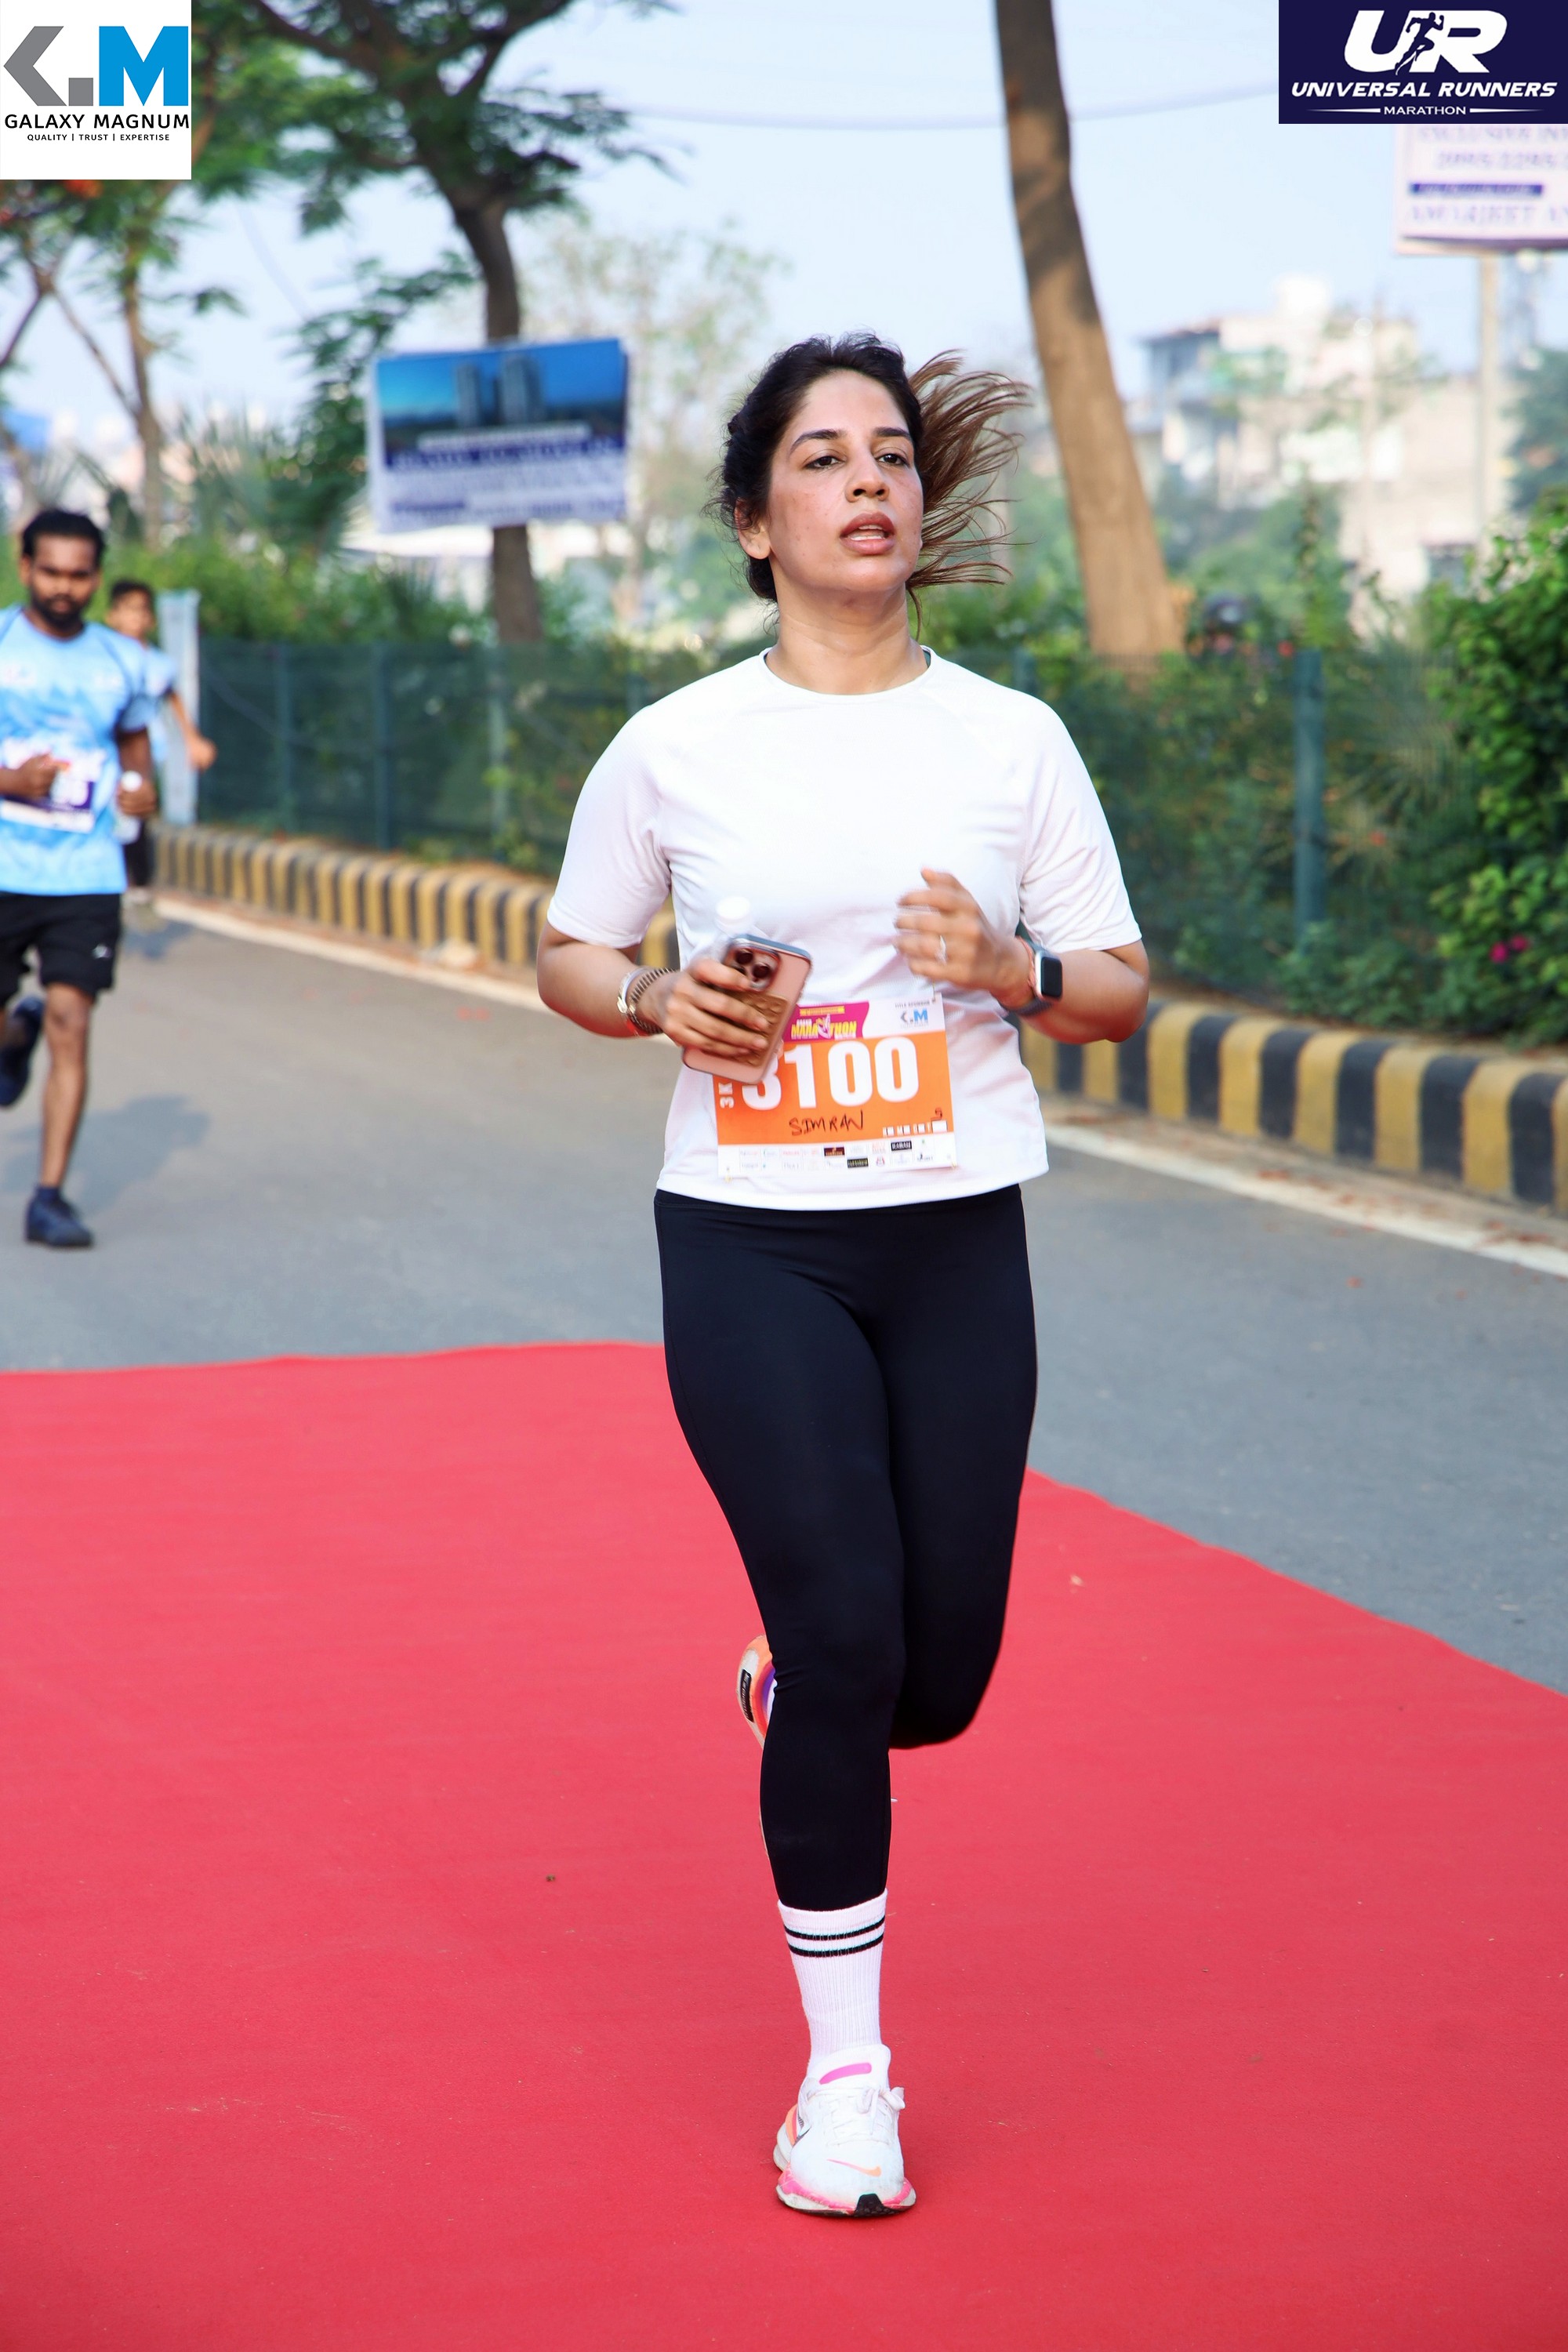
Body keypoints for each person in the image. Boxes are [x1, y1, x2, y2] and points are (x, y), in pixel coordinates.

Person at [537, 336, 1149, 2216]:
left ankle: (804, 1667)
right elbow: (569, 950)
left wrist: (1008, 969)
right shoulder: (678, 744)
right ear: (754, 520)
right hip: (750, 1238)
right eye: (820, 457)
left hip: (955, 1235)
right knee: (846, 1621)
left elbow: (1117, 988)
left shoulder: (1009, 742)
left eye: (888, 452)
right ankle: (846, 2086)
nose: (867, 479)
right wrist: (655, 996)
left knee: (930, 1676)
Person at [0, 510, 159, 1247]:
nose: (64, 588)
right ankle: (13, 1035)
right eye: (51, 572)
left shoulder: (121, 660)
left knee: (74, 1020)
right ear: (25, 567)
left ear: (96, 577)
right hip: (5, 866)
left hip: (86, 873)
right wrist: (10, 781)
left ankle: (49, 1197)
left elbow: (134, 740)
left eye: (79, 575)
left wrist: (141, 790)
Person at [103, 578, 216, 900]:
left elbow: (172, 697)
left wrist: (193, 740)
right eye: (128, 610)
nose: (136, 617)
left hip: (145, 751)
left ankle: (137, 882)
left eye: (142, 611)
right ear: (113, 615)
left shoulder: (159, 664)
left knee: (135, 808)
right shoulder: (99, 656)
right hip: (106, 749)